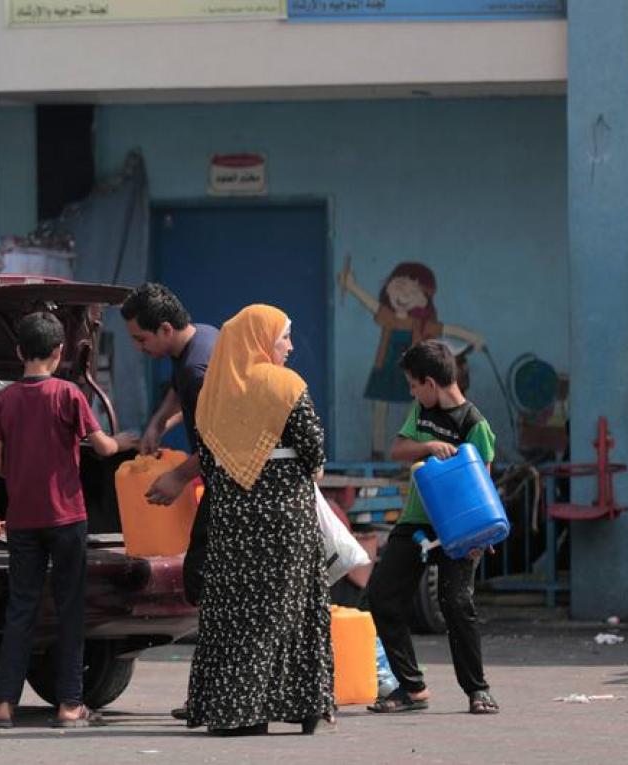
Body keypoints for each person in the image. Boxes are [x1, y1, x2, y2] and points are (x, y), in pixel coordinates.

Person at [0, 312, 132, 729]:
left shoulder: (5, 400)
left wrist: (24, 477)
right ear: (59, 352)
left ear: (18, 352)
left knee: (21, 609)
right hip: (67, 518)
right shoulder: (68, 395)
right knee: (69, 609)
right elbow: (101, 448)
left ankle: (3, 705)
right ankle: (68, 706)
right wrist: (127, 441)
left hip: (23, 521)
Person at [186, 304, 333, 736]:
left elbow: (209, 464)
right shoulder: (285, 384)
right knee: (292, 607)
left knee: (233, 612)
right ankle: (303, 706)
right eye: (283, 336)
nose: (288, 346)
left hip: (232, 519)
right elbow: (313, 450)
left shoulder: (214, 390)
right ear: (262, 339)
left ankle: (234, 711)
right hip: (285, 515)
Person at [366, 340, 501, 715]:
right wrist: (431, 446)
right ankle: (411, 688)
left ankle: (478, 690)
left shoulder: (476, 424)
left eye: (412, 385)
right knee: (382, 596)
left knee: (456, 604)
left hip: (459, 530)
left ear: (429, 382)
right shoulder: (421, 413)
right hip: (416, 523)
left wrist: (482, 536)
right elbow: (398, 449)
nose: (411, 392)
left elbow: (483, 486)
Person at [119, 282, 217, 721]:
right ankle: (210, 693)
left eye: (141, 339)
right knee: (208, 585)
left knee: (204, 583)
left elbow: (220, 440)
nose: (139, 348)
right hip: (218, 480)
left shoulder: (199, 367)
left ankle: (214, 694)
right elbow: (181, 392)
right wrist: (160, 422)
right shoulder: (200, 339)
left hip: (228, 486)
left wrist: (177, 477)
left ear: (163, 328)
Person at [339, 259, 485, 457]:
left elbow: (448, 329)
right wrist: (352, 286)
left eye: (413, 292)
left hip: (413, 372)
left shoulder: (423, 324)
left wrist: (472, 338)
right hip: (386, 368)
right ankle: (377, 451)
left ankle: (416, 447)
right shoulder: (388, 317)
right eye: (399, 286)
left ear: (426, 298)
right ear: (388, 287)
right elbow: (372, 305)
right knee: (380, 408)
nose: (404, 295)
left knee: (416, 408)